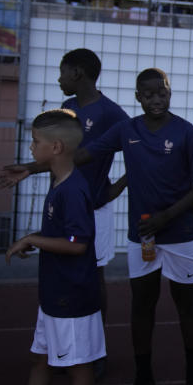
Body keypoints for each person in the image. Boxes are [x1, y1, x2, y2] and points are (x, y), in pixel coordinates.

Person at [5, 69, 193, 385]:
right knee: (141, 307)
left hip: (180, 236)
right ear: (138, 97)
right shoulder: (126, 130)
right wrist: (31, 168)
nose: (156, 99)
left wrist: (166, 216)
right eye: (148, 94)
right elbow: (81, 156)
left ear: (169, 93)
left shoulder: (186, 133)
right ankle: (143, 380)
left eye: (161, 92)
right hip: (141, 237)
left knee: (187, 306)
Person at [0, 110, 104, 385]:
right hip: (54, 293)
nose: (31, 147)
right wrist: (37, 237)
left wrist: (32, 240)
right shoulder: (59, 183)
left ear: (56, 147)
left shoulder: (74, 190)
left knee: (79, 368)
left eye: (35, 142)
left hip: (73, 298)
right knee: (41, 360)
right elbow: (61, 236)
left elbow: (78, 244)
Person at [58, 49, 129, 337]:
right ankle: (66, 339)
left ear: (77, 73)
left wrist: (119, 186)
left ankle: (95, 346)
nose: (59, 78)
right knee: (64, 274)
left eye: (62, 71)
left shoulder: (110, 112)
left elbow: (136, 146)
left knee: (93, 275)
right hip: (65, 205)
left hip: (95, 208)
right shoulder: (66, 106)